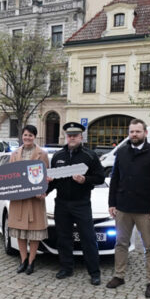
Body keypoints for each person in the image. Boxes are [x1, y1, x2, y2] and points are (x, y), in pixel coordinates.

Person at [106, 119, 150, 297]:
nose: (134, 135)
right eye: (131, 132)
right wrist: (112, 203)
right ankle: (119, 275)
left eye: (138, 131)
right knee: (120, 243)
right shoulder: (122, 152)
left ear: (145, 133)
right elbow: (115, 179)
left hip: (146, 209)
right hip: (123, 207)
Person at [48, 122, 106, 286]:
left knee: (88, 238)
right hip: (62, 203)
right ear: (66, 136)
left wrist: (85, 180)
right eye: (69, 135)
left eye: (75, 135)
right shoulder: (58, 156)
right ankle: (67, 267)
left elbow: (100, 178)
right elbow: (54, 182)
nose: (72, 138)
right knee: (64, 238)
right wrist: (44, 191)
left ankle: (94, 272)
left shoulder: (90, 156)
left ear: (81, 137)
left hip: (81, 204)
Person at [8, 124, 50, 275]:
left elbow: (45, 177)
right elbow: (9, 176)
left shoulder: (42, 154)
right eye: (25, 135)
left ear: (34, 137)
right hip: (19, 199)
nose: (27, 137)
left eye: (30, 135)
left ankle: (32, 261)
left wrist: (43, 190)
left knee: (34, 233)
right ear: (22, 136)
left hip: (35, 200)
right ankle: (23, 260)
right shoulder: (14, 154)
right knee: (20, 232)